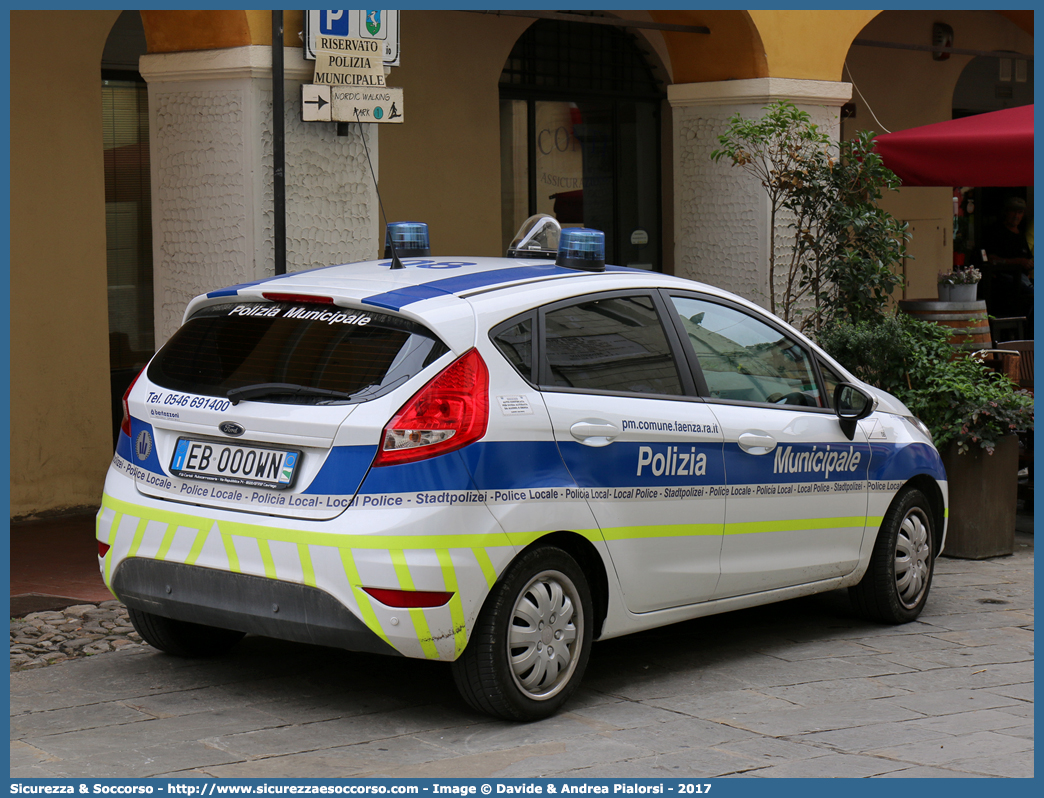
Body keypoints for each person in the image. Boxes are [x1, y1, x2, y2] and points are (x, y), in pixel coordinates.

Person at [983, 196, 1033, 323]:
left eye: (1020, 212)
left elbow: (1027, 258)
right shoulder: (996, 231)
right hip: (1004, 283)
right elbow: (991, 259)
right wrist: (1017, 261)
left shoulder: (1020, 234)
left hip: (1024, 280)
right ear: (1006, 212)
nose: (1016, 215)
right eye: (1013, 211)